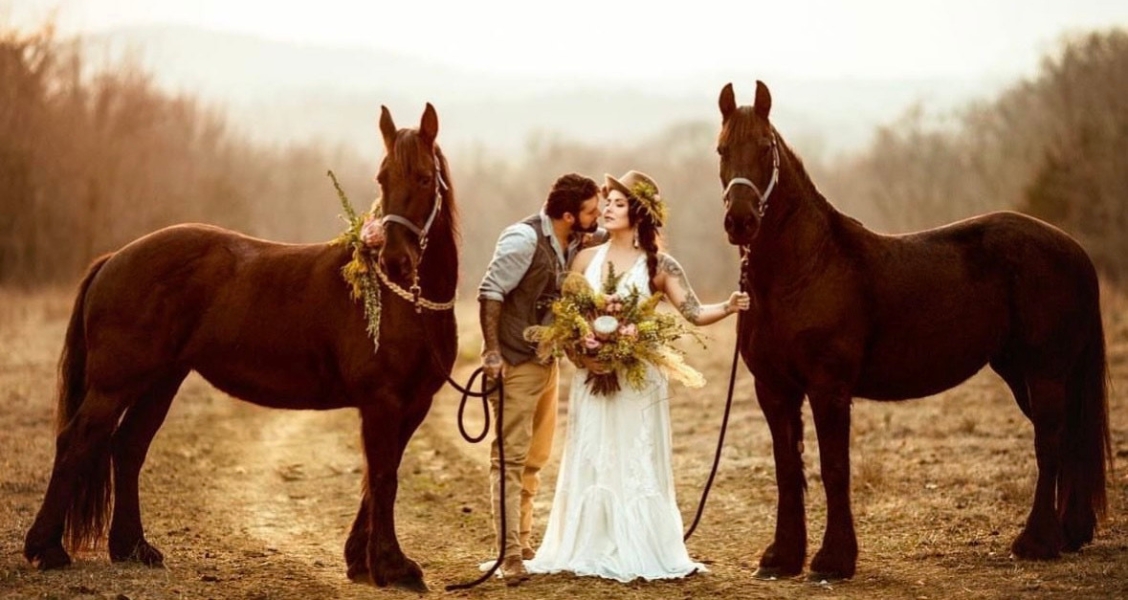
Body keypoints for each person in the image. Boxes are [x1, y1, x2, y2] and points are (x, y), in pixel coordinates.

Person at [525, 170, 750, 582]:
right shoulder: (585, 257)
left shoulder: (660, 265)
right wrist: (583, 354)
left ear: (639, 213)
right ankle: (589, 540)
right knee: (593, 452)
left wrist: (730, 305)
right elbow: (565, 316)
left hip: (638, 380)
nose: (607, 208)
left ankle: (639, 542)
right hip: (592, 378)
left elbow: (694, 313)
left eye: (617, 202)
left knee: (634, 454)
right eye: (606, 201)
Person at [477, 172, 603, 582]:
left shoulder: (573, 239)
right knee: (509, 458)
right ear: (569, 214)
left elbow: (612, 234)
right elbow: (491, 290)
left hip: (546, 362)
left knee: (534, 458)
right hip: (514, 361)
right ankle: (508, 555)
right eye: (590, 210)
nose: (596, 215)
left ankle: (525, 541)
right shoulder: (523, 239)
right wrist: (493, 352)